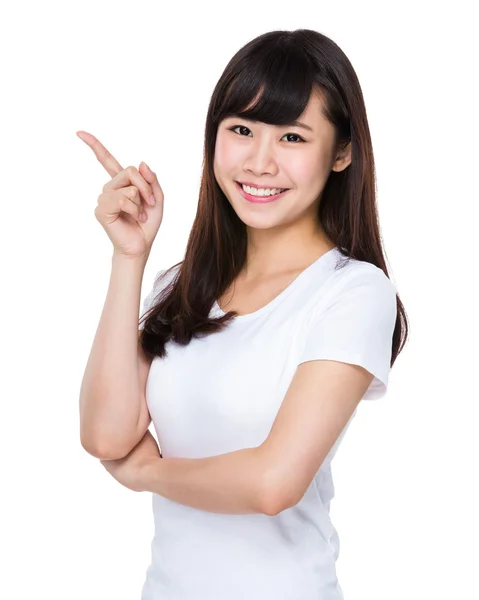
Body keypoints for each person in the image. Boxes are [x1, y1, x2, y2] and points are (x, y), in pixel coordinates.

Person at [78, 28, 409, 600]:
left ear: (342, 152)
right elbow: (107, 434)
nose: (260, 162)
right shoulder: (181, 285)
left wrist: (147, 475)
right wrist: (130, 256)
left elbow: (274, 483)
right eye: (241, 130)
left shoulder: (352, 292)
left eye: (293, 137)